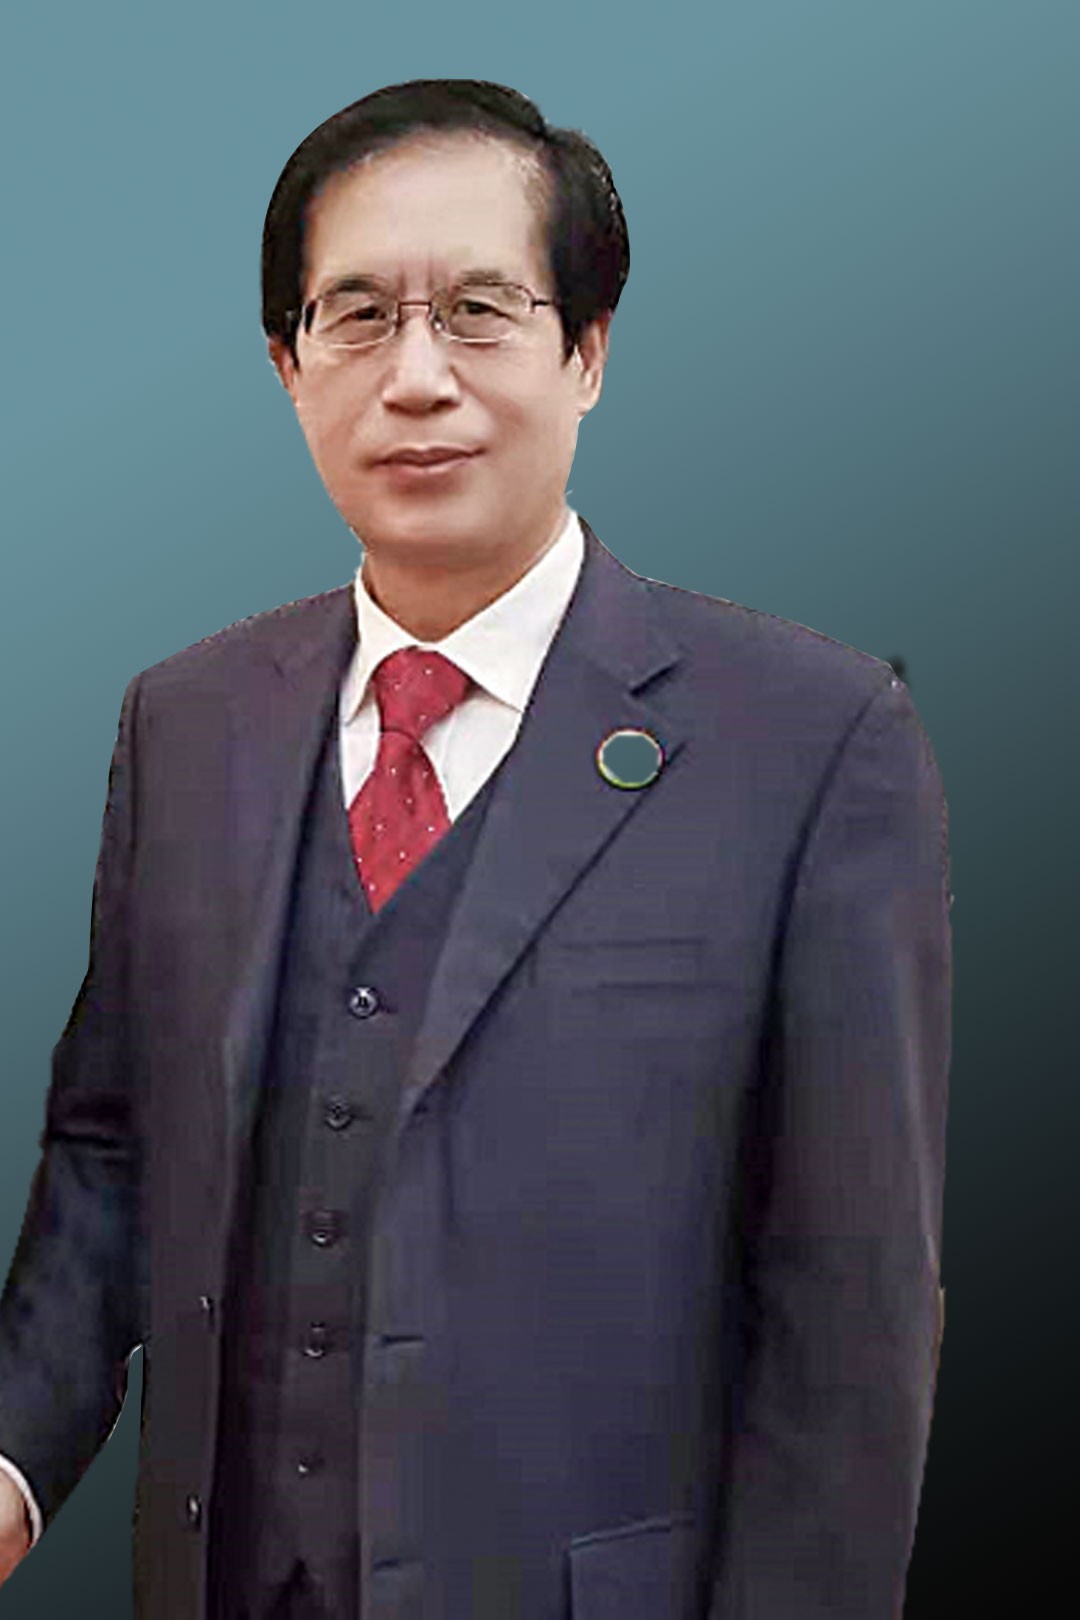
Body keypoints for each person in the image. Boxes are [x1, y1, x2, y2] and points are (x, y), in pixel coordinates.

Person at [0, 78, 951, 1620]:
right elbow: (113, 1150)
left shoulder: (812, 739)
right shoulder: (185, 722)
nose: (417, 378)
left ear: (588, 351)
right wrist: (16, 1455)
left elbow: (850, 1304)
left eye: (480, 312)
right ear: (287, 364)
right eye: (358, 317)